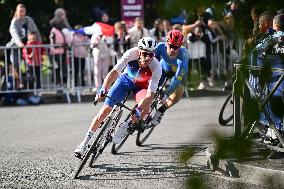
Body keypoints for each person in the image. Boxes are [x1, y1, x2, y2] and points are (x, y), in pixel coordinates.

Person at [74, 37, 162, 158]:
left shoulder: (156, 67)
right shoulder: (131, 53)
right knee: (104, 111)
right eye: (145, 54)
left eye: (151, 54)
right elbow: (115, 72)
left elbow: (150, 95)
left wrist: (138, 109)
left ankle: (126, 125)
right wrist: (104, 88)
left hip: (141, 87)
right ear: (140, 51)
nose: (147, 57)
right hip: (125, 81)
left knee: (145, 108)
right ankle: (84, 144)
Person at [151, 30, 190, 126]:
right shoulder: (160, 47)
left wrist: (166, 94)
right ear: (166, 43)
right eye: (171, 46)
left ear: (180, 46)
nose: (173, 50)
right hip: (163, 69)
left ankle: (161, 111)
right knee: (152, 87)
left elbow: (177, 79)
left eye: (176, 47)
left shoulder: (183, 55)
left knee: (179, 92)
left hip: (176, 74)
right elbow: (151, 63)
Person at [6, 4, 41, 72]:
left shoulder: (28, 19)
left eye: (23, 11)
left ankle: (29, 80)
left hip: (27, 45)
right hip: (16, 46)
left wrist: (39, 42)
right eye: (20, 11)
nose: (22, 13)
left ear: (25, 12)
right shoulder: (14, 21)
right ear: (17, 12)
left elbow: (35, 31)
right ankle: (16, 80)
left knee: (29, 63)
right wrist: (19, 43)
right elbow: (14, 33)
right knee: (15, 64)